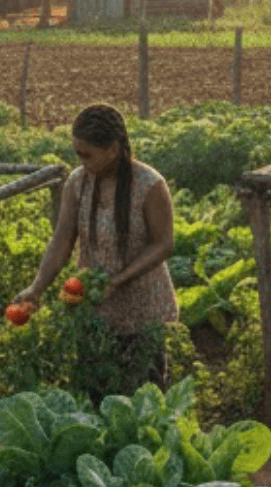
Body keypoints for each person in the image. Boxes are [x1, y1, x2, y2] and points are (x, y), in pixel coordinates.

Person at [14, 103, 179, 385]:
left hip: (143, 312)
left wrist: (119, 280)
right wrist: (36, 287)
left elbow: (163, 245)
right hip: (93, 312)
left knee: (144, 399)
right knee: (95, 397)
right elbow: (62, 240)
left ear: (113, 149)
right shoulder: (78, 184)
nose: (81, 162)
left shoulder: (149, 185)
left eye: (87, 155)